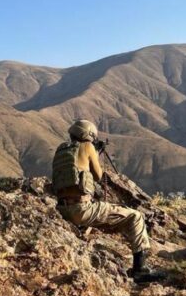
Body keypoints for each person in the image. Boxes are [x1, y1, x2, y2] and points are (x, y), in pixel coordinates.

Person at [52, 120, 165, 283]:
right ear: (89, 135)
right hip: (82, 210)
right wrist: (95, 154)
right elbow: (98, 176)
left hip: (62, 210)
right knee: (136, 217)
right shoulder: (88, 147)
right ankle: (140, 270)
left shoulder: (61, 150)